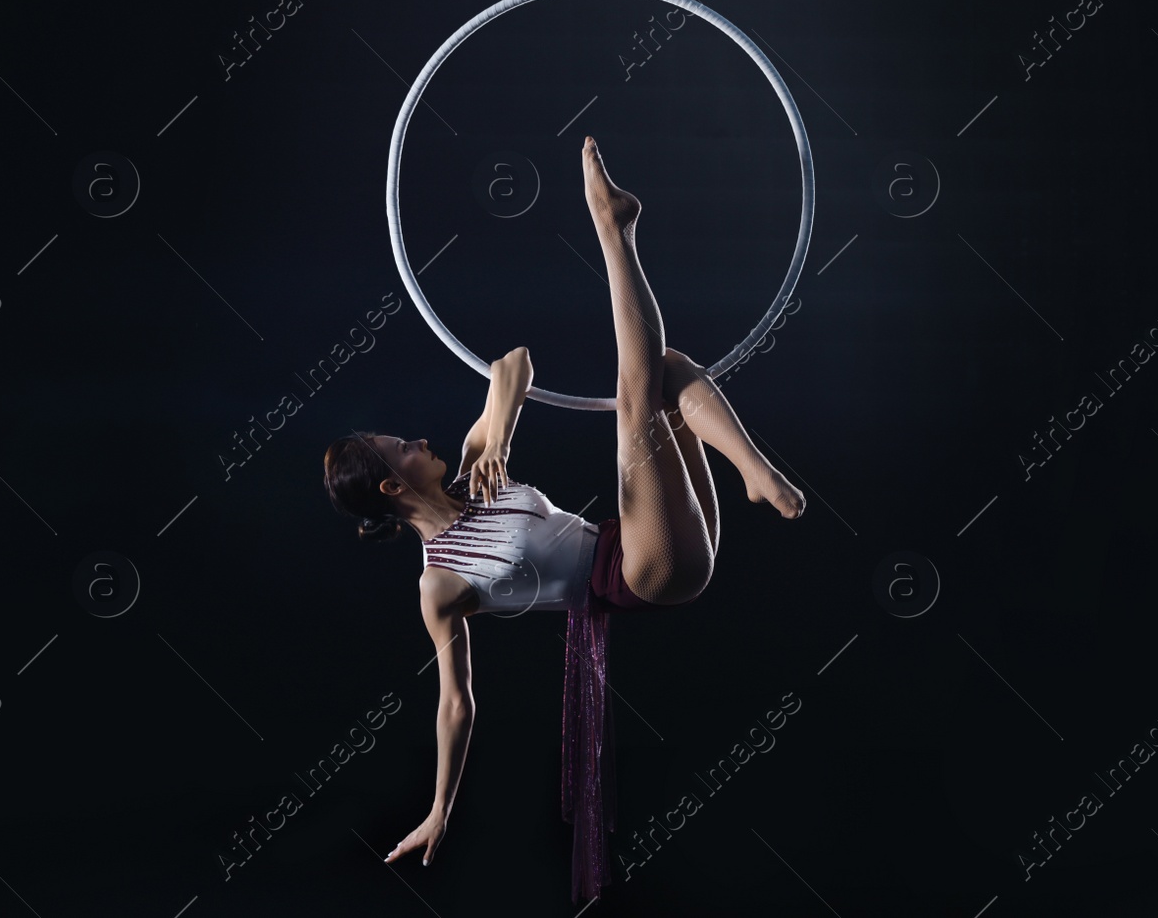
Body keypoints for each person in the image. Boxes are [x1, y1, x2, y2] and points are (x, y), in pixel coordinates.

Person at [321, 136, 805, 901]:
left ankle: (754, 473)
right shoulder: (439, 583)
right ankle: (614, 228)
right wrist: (440, 805)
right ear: (388, 488)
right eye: (399, 447)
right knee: (635, 399)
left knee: (667, 368)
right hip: (642, 574)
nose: (416, 439)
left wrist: (499, 427)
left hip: (660, 537)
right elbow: (455, 700)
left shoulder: (478, 465)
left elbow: (513, 360)